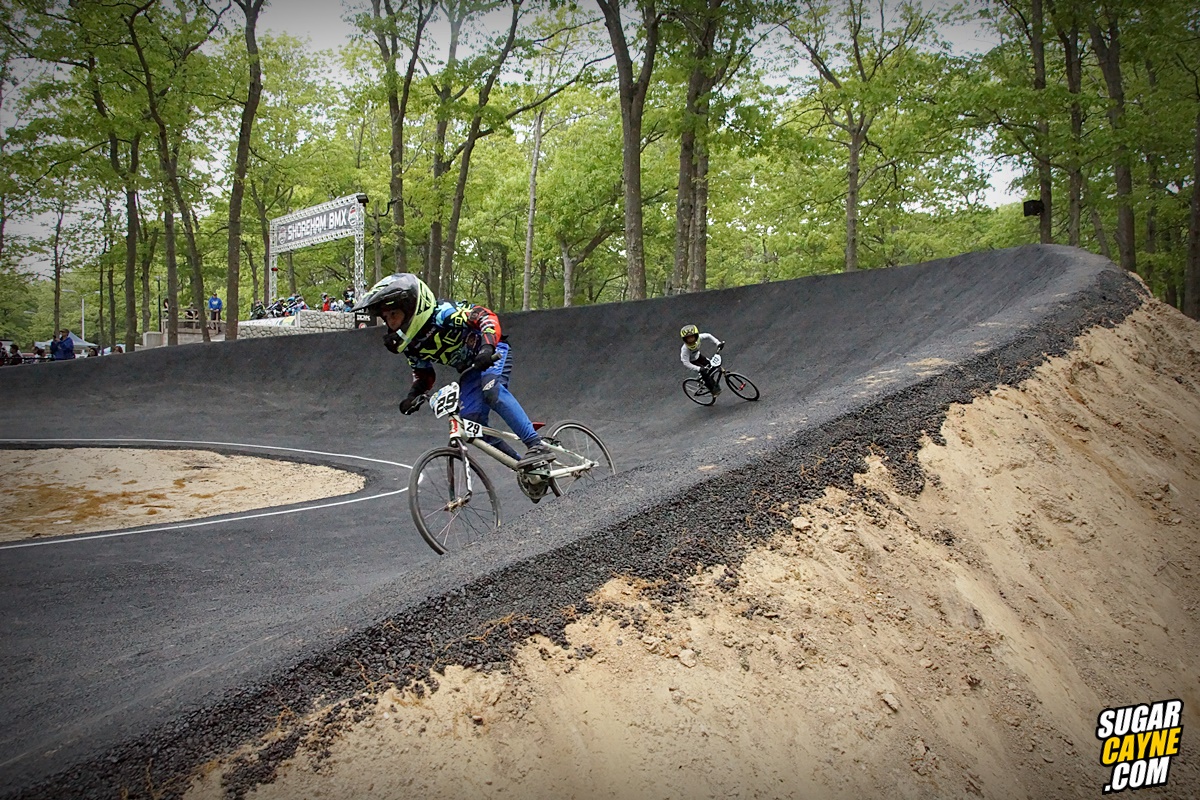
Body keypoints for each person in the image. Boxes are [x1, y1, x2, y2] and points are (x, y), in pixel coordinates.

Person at [354, 273, 554, 468]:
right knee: (472, 425)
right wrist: (412, 396)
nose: (391, 322)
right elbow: (424, 375)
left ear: (411, 308)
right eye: (386, 317)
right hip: (470, 370)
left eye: (394, 314)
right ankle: (526, 468)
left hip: (493, 352)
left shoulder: (443, 314)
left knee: (491, 390)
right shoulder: (411, 345)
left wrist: (487, 347)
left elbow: (485, 316)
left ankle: (536, 445)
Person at [680, 324, 724, 397]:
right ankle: (713, 390)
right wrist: (698, 368)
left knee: (712, 366)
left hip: (699, 357)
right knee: (705, 374)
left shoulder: (699, 338)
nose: (691, 340)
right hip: (693, 362)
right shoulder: (685, 349)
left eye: (692, 337)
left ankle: (704, 380)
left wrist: (718, 343)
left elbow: (708, 336)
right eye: (688, 338)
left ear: (696, 336)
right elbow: (685, 362)